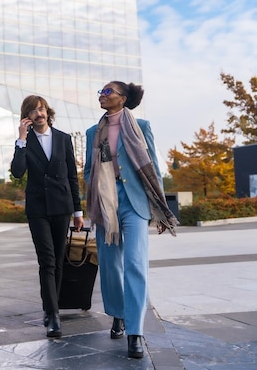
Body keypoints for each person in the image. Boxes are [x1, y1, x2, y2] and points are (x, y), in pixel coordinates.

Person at [84, 81, 178, 359]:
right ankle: (118, 313)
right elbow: (89, 171)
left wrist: (159, 207)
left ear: (122, 98)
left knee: (135, 263)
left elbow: (153, 170)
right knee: (110, 263)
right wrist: (95, 194)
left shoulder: (142, 127)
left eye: (107, 91)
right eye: (100, 92)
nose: (102, 95)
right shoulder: (93, 132)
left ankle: (135, 330)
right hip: (106, 202)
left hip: (135, 200)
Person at [10, 95, 84, 338]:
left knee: (59, 260)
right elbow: (18, 172)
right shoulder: (26, 141)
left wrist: (78, 211)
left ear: (47, 112)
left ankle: (51, 307)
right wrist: (21, 139)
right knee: (47, 260)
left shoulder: (63, 139)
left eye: (41, 109)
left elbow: (72, 176)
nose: (38, 114)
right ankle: (52, 315)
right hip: (38, 209)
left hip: (62, 207)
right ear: (27, 117)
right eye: (33, 111)